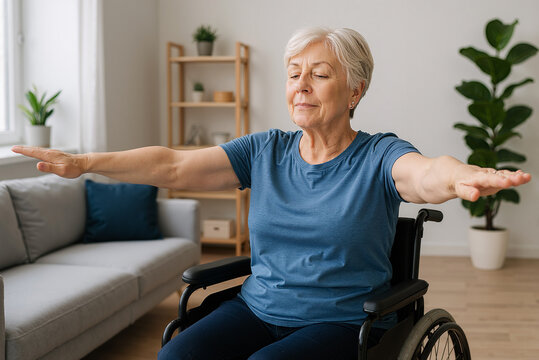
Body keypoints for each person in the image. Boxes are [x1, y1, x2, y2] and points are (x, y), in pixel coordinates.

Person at [12, 27, 530, 360]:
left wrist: (459, 175)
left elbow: (423, 174)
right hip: (257, 308)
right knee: (174, 357)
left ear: (355, 91)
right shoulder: (265, 151)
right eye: (293, 74)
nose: (301, 84)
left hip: (342, 321)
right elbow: (172, 164)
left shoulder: (379, 155)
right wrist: (84, 163)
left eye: (320, 74)